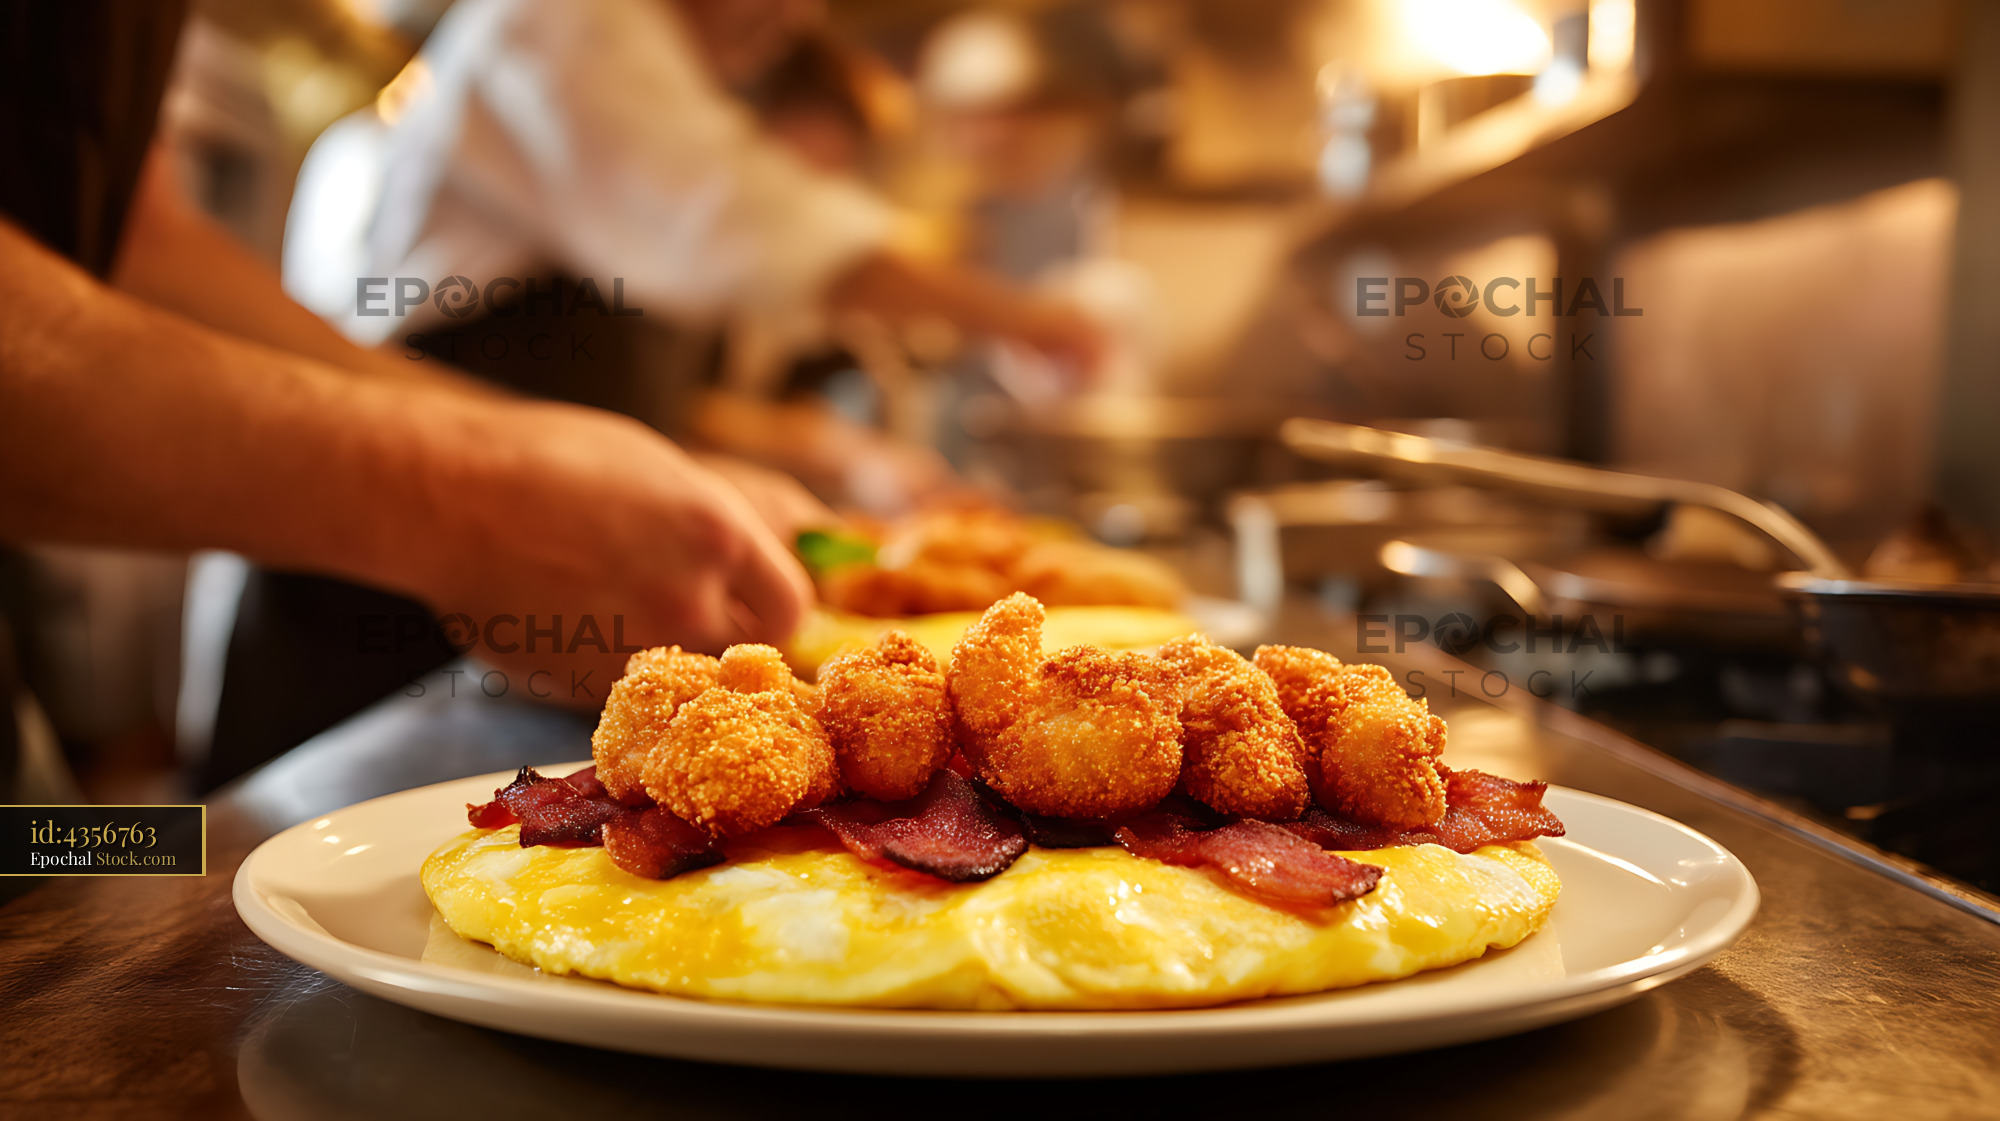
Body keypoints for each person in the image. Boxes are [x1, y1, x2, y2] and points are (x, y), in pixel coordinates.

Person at [0, 1, 827, 796]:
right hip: (339, 612)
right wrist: (468, 495)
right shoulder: (561, 25)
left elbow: (143, 248)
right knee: (203, 858)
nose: (799, 13)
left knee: (98, 867)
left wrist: (543, 455)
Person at [284, 0, 1106, 516]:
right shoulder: (561, 18)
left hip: (518, 508)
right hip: (410, 509)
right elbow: (746, 220)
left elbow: (652, 398)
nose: (797, 15)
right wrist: (1031, 320)